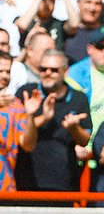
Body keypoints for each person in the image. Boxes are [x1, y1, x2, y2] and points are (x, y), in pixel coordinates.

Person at [14, 49, 90, 192]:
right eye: (43, 69)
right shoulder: (27, 93)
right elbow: (19, 134)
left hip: (64, 183)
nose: (47, 73)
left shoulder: (79, 98)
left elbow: (84, 140)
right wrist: (43, 118)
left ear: (65, 71)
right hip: (27, 181)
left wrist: (73, 128)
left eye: (54, 70)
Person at [0, 52, 41, 192]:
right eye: (0, 71)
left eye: (7, 71)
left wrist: (30, 116)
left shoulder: (15, 105)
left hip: (6, 189)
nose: (5, 76)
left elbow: (28, 145)